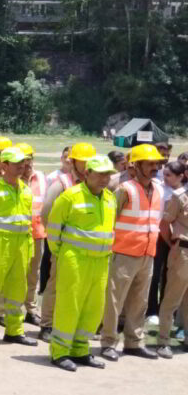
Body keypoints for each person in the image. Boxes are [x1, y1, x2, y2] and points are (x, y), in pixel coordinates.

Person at [46, 155, 117, 372]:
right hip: (74, 259)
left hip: (100, 262)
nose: (105, 179)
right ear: (87, 173)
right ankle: (60, 351)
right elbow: (53, 228)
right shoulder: (70, 196)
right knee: (69, 305)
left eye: (108, 174)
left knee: (93, 307)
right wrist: (61, 254)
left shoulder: (109, 198)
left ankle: (80, 349)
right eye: (101, 174)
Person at [100, 144, 163, 361]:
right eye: (150, 163)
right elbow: (109, 220)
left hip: (147, 254)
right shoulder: (124, 190)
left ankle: (134, 343)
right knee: (114, 301)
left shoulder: (159, 189)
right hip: (123, 254)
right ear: (136, 166)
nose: (155, 167)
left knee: (140, 301)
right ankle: (108, 342)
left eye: (156, 163)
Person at [38, 142, 96, 341]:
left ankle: (72, 325)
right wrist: (56, 242)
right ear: (73, 162)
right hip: (64, 247)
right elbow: (46, 213)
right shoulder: (61, 183)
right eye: (83, 161)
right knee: (55, 285)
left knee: (80, 288)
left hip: (87, 249)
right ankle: (47, 325)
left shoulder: (94, 184)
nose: (87, 165)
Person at [0, 147, 37, 346]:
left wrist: (29, 246)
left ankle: (14, 330)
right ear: (4, 165)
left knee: (18, 288)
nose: (22, 166)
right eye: (17, 163)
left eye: (24, 162)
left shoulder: (26, 189)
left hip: (21, 245)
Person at [15, 143, 48, 326]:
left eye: (29, 159)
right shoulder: (10, 179)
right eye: (23, 160)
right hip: (16, 234)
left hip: (37, 233)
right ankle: (3, 310)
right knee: (14, 272)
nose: (26, 163)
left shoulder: (42, 178)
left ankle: (31, 309)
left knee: (33, 274)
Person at [157, 160, 188, 359]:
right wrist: (173, 244)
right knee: (172, 298)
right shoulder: (180, 196)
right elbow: (164, 224)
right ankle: (163, 341)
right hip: (183, 251)